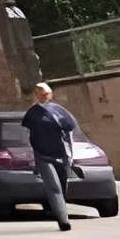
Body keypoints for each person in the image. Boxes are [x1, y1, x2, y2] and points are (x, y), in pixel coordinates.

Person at [22, 82, 80, 230]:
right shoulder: (32, 113)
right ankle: (63, 221)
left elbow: (69, 135)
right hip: (43, 156)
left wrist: (70, 156)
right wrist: (32, 158)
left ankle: (57, 210)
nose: (43, 96)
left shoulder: (60, 111)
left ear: (50, 95)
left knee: (61, 187)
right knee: (53, 187)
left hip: (61, 156)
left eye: (46, 93)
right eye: (40, 93)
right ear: (36, 95)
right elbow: (28, 137)